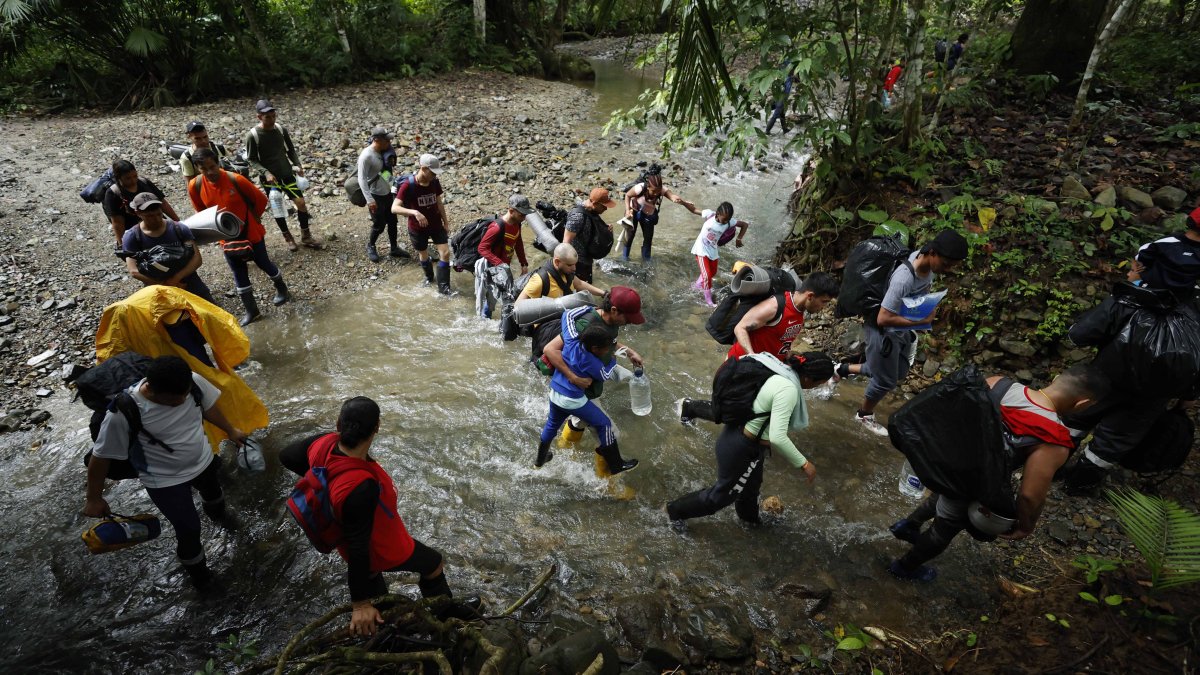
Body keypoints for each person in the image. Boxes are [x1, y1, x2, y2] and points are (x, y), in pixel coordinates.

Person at [280, 397, 479, 636]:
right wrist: (359, 604)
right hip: (380, 546)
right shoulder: (361, 487)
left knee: (373, 577)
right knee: (433, 563)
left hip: (349, 537)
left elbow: (287, 456)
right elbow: (359, 548)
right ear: (377, 428)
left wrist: (324, 483)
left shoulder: (322, 444)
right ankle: (445, 616)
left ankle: (388, 623)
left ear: (338, 424)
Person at [887, 366, 1109, 581]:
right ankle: (904, 567)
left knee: (946, 494)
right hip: (972, 481)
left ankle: (908, 525)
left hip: (944, 460)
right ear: (1083, 403)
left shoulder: (998, 384)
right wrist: (1026, 525)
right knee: (945, 528)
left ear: (1058, 377)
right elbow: (1029, 495)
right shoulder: (1054, 440)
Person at [82, 355, 247, 588]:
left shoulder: (192, 383)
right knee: (189, 529)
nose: (182, 400)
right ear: (152, 388)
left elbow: (208, 407)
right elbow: (101, 457)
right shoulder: (124, 412)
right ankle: (202, 579)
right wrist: (94, 498)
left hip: (203, 459)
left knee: (215, 496)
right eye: (175, 399)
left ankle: (222, 520)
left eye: (185, 393)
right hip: (165, 481)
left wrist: (231, 430)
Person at [666, 352, 833, 530]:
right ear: (810, 379)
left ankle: (751, 523)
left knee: (749, 490)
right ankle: (673, 511)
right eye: (819, 384)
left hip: (744, 438)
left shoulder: (778, 372)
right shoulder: (788, 389)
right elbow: (778, 437)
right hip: (741, 446)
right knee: (722, 496)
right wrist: (804, 464)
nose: (816, 388)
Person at [830, 230, 968, 435]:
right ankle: (864, 414)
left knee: (897, 371)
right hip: (881, 329)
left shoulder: (925, 266)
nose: (947, 270)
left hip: (900, 327)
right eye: (946, 264)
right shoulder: (904, 278)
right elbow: (882, 318)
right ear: (932, 252)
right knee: (885, 379)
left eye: (952, 266)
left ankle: (841, 369)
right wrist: (921, 321)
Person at [679, 273, 840, 423]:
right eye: (824, 302)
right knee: (722, 413)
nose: (824, 307)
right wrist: (753, 357)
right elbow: (740, 328)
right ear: (810, 296)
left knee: (750, 413)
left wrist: (789, 356)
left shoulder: (800, 311)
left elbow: (781, 338)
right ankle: (688, 406)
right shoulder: (775, 307)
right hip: (740, 366)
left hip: (763, 370)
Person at [538, 287, 646, 473]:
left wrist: (628, 352)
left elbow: (609, 342)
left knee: (570, 421)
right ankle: (609, 483)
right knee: (611, 432)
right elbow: (549, 349)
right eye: (628, 318)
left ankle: (562, 448)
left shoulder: (611, 323)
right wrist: (574, 377)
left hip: (574, 391)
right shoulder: (585, 325)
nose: (629, 323)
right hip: (580, 392)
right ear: (614, 310)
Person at [187, 147, 291, 326]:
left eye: (213, 166)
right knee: (238, 271)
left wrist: (251, 220)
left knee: (263, 262)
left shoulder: (236, 179)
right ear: (197, 168)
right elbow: (201, 212)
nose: (210, 172)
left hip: (250, 232)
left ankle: (283, 290)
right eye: (204, 169)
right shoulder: (195, 186)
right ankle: (252, 311)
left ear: (218, 163)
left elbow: (260, 200)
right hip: (225, 236)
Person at [243, 99, 323, 252]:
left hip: (287, 174)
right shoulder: (253, 135)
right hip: (270, 180)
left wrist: (297, 164)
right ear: (259, 117)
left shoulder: (280, 129)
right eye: (267, 117)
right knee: (278, 208)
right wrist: (265, 173)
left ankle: (306, 236)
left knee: (301, 203)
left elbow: (290, 149)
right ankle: (288, 237)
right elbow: (252, 159)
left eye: (273, 116)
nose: (272, 119)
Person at [516, 242, 605, 361]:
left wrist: (604, 293)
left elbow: (579, 284)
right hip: (545, 333)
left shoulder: (567, 272)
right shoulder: (539, 280)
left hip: (563, 325)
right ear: (557, 262)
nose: (574, 268)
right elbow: (518, 306)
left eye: (575, 264)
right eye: (570, 265)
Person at [120, 192, 215, 304]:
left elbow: (197, 258)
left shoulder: (178, 228)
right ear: (138, 213)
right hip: (158, 289)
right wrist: (165, 284)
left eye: (158, 214)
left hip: (190, 282)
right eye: (150, 216)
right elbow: (133, 270)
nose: (156, 219)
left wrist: (176, 279)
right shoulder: (132, 236)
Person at [393, 153, 454, 295]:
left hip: (436, 224)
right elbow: (394, 208)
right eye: (432, 172)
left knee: (445, 253)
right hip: (417, 228)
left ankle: (444, 289)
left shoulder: (434, 182)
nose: (434, 175)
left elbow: (439, 202)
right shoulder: (408, 185)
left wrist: (446, 222)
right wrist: (415, 212)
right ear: (423, 168)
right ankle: (429, 277)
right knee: (423, 253)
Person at [621, 170, 700, 262]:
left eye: (658, 191)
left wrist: (682, 201)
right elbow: (627, 195)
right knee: (630, 236)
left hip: (647, 214)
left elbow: (673, 196)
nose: (656, 193)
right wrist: (627, 210)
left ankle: (646, 260)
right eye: (653, 191)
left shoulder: (662, 189)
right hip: (633, 212)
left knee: (648, 239)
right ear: (648, 187)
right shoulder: (640, 187)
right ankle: (625, 258)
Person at [475, 194, 532, 319]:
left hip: (503, 267)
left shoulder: (517, 224)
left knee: (498, 297)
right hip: (490, 267)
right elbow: (482, 248)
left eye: (525, 214)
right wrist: (500, 264)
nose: (524, 217)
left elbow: (519, 243)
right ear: (511, 211)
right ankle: (484, 320)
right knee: (490, 297)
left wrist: (523, 263)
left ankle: (490, 316)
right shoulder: (496, 228)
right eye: (521, 214)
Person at [103, 159, 180, 250]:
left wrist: (178, 222)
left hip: (159, 224)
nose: (133, 180)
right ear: (118, 178)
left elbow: (163, 203)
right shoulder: (113, 193)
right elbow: (117, 222)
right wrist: (122, 245)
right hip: (137, 234)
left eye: (135, 176)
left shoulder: (144, 183)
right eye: (128, 178)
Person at [358, 127, 407, 262]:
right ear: (377, 140)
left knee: (392, 222)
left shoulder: (382, 151)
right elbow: (361, 179)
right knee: (379, 224)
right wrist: (369, 200)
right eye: (386, 140)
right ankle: (371, 245)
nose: (389, 142)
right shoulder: (366, 156)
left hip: (387, 193)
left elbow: (384, 172)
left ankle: (394, 248)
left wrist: (395, 187)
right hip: (375, 196)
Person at [1129, 206, 1200, 296]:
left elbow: (1142, 255)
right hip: (1181, 295)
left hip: (1151, 288)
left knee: (1135, 270)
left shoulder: (1169, 241)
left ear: (1189, 222)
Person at [690, 202, 750, 307]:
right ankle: (709, 301)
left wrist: (739, 238)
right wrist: (683, 202)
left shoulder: (728, 222)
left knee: (712, 272)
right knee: (706, 275)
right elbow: (694, 210)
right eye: (724, 219)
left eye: (728, 219)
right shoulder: (709, 214)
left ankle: (696, 286)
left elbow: (744, 225)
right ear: (717, 214)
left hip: (712, 250)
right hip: (701, 250)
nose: (726, 222)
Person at [562, 187, 617, 284]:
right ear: (595, 203)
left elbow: (591, 228)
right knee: (580, 293)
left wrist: (604, 229)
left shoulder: (591, 210)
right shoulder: (578, 217)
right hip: (577, 263)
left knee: (586, 289)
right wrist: (570, 266)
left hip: (587, 260)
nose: (606, 208)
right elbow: (565, 243)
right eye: (604, 206)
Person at [765, 61, 796, 134]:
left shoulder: (788, 77)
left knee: (782, 114)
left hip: (780, 98)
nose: (793, 70)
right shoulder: (786, 78)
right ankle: (767, 131)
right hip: (782, 98)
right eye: (792, 69)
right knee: (775, 116)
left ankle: (784, 129)